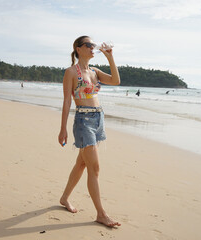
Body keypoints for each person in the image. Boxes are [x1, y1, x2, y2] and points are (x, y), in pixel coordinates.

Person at [58, 36, 121, 227]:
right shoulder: (71, 72)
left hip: (98, 119)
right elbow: (67, 101)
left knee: (82, 164)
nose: (93, 48)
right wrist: (63, 129)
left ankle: (64, 198)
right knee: (94, 167)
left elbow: (116, 81)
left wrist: (110, 57)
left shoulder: (94, 71)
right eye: (89, 45)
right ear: (78, 49)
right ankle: (101, 214)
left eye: (93, 45)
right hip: (83, 121)